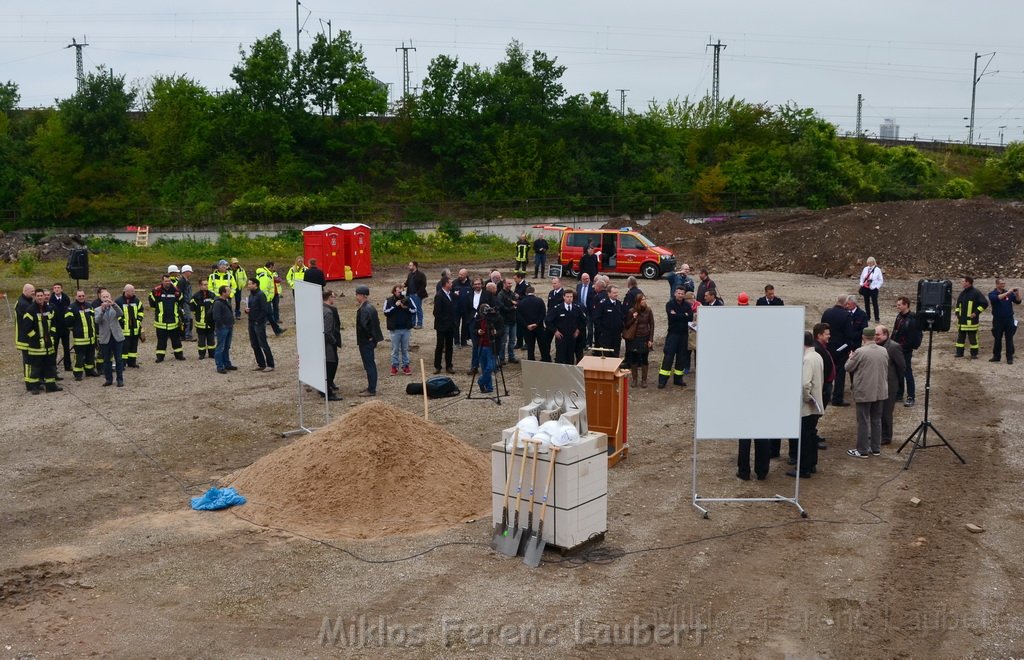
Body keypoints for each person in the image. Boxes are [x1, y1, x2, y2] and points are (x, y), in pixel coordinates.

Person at [845, 327, 889, 458]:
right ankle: (875, 448)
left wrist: (850, 357)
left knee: (863, 421)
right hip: (880, 391)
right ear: (874, 337)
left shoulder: (860, 351)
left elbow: (848, 367)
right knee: (876, 420)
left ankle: (862, 450)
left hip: (864, 392)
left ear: (863, 337)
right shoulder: (884, 350)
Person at [790, 331, 824, 478]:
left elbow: (805, 383)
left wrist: (805, 397)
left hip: (808, 405)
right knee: (811, 434)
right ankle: (811, 463)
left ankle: (804, 468)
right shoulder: (817, 356)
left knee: (804, 437)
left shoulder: (807, 359)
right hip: (816, 402)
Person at [20, 288, 61, 394]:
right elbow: (26, 328)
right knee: (36, 367)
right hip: (36, 346)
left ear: (44, 296)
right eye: (37, 296)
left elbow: (53, 324)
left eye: (41, 295)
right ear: (35, 297)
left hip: (48, 345)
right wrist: (37, 338)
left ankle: (51, 386)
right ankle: (34, 387)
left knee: (50, 366)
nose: (40, 297)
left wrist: (52, 336)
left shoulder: (49, 309)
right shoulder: (30, 310)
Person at [874, 325, 906, 446]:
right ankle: (878, 433)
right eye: (875, 335)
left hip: (890, 385)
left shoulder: (894, 347)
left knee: (886, 412)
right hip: (878, 384)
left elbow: (901, 366)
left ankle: (886, 436)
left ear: (885, 334)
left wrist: (896, 381)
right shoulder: (875, 346)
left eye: (878, 335)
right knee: (877, 410)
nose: (875, 337)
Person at [821, 296, 853, 406]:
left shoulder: (827, 312)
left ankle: (825, 394)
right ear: (845, 303)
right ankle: (837, 398)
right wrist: (848, 348)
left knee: (826, 372)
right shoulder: (846, 315)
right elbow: (849, 335)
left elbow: (821, 329)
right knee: (840, 374)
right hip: (840, 349)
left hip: (827, 347)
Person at [658, 287, 693, 388]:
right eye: (679, 293)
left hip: (684, 335)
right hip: (673, 335)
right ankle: (662, 381)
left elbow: (690, 317)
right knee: (668, 356)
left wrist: (678, 315)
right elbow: (672, 317)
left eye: (682, 294)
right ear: (675, 294)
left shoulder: (687, 305)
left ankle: (678, 379)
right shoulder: (670, 304)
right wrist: (684, 315)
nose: (680, 295)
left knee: (681, 357)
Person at [892, 296, 922, 406]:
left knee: (907, 373)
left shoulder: (912, 319)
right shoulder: (899, 317)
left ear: (906, 305)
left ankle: (911, 396)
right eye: (897, 304)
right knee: (897, 372)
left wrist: (903, 348)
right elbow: (895, 332)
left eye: (899, 304)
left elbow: (913, 338)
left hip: (905, 350)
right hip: (897, 349)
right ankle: (899, 394)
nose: (897, 306)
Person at [354, 285, 384, 396]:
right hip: (370, 340)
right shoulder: (370, 307)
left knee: (369, 365)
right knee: (370, 364)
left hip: (365, 341)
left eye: (357, 294)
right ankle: (370, 387)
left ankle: (371, 389)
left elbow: (364, 325)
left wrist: (369, 336)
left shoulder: (364, 309)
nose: (356, 296)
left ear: (361, 295)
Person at [149, 275, 184, 363]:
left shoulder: (176, 291)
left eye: (169, 281)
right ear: (162, 281)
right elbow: (152, 303)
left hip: (174, 321)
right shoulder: (156, 291)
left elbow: (181, 301)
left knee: (176, 340)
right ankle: (160, 357)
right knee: (161, 341)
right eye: (166, 281)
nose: (167, 283)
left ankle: (179, 355)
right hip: (161, 322)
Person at [812, 322, 836, 451]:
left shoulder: (821, 347)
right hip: (822, 387)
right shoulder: (817, 349)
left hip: (826, 385)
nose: (829, 336)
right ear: (819, 335)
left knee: (817, 414)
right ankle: (812, 437)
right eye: (827, 334)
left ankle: (813, 434)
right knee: (815, 414)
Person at [94, 290, 125, 387]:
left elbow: (121, 314)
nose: (106, 298)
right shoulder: (97, 309)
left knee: (119, 359)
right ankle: (108, 379)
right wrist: (102, 311)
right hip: (105, 338)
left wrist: (114, 305)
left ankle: (120, 379)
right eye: (104, 297)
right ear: (101, 298)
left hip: (116, 337)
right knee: (106, 360)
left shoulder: (115, 307)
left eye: (107, 296)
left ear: (111, 297)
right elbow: (97, 321)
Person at [546, 288, 586, 365]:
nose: (569, 298)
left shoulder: (576, 308)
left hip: (572, 337)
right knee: (560, 357)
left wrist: (578, 330)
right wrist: (555, 331)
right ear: (563, 297)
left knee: (570, 357)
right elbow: (548, 321)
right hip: (561, 337)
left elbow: (584, 320)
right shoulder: (557, 308)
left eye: (571, 297)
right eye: (567, 297)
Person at [623, 293, 655, 387]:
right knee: (634, 359)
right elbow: (627, 325)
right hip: (635, 338)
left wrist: (650, 339)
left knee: (644, 359)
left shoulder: (648, 310)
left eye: (645, 299)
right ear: (638, 301)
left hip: (645, 337)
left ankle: (644, 380)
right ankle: (634, 379)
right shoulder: (631, 311)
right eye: (642, 300)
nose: (644, 301)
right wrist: (633, 318)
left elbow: (652, 325)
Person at [383, 284, 416, 376]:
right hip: (395, 330)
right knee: (395, 349)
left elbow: (414, 310)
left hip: (406, 329)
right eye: (399, 292)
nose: (400, 293)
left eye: (402, 291)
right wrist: (395, 306)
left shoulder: (408, 299)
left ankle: (406, 365)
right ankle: (394, 366)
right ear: (394, 292)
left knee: (405, 349)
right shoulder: (389, 300)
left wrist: (406, 308)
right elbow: (386, 312)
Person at [67, 288, 99, 378]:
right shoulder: (71, 308)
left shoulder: (89, 306)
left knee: (90, 356)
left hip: (90, 337)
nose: (81, 297)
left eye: (82, 296)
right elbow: (68, 322)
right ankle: (78, 373)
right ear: (75, 297)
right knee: (79, 357)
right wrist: (75, 329)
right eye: (79, 296)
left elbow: (94, 319)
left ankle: (90, 370)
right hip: (80, 338)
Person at [988, 279, 1020, 364]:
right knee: (997, 338)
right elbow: (996, 298)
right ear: (997, 284)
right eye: (1001, 284)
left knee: (1009, 339)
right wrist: (1008, 292)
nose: (1003, 285)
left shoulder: (1009, 294)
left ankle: (1009, 358)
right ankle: (996, 356)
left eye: (1004, 283)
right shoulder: (992, 294)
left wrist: (1017, 294)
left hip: (1009, 319)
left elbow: (1018, 301)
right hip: (998, 320)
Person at [954, 276, 987, 358]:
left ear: (968, 282)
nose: (962, 283)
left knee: (973, 339)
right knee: (960, 339)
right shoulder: (962, 293)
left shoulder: (976, 293)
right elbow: (958, 304)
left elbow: (984, 304)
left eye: (963, 281)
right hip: (962, 321)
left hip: (971, 321)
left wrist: (976, 313)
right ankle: (959, 353)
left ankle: (974, 354)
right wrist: (957, 312)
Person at [246, 278, 275, 372]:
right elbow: (253, 307)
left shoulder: (261, 295)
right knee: (254, 344)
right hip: (251, 321)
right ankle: (261, 364)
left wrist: (258, 321)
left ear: (255, 285)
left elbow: (264, 310)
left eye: (250, 284)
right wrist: (247, 311)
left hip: (258, 323)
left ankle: (270, 364)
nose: (248, 285)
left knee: (263, 343)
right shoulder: (251, 295)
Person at [474, 303, 504, 393]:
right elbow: (474, 330)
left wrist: (496, 332)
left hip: (492, 345)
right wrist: (478, 331)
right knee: (484, 367)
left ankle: (481, 381)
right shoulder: (479, 319)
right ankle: (489, 387)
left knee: (490, 367)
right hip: (481, 345)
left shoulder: (497, 318)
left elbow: (502, 330)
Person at [115, 285, 145, 369]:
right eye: (132, 291)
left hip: (135, 329)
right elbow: (116, 313)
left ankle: (132, 362)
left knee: (133, 347)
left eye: (133, 291)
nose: (133, 292)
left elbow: (141, 311)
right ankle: (122, 364)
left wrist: (138, 320)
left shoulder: (136, 300)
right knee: (124, 348)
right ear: (126, 291)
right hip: (124, 330)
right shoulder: (119, 301)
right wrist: (122, 321)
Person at [433, 277, 458, 374]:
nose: (452, 284)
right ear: (446, 284)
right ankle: (437, 366)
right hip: (442, 326)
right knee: (440, 346)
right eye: (451, 283)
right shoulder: (439, 295)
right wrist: (446, 321)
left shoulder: (450, 294)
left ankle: (449, 365)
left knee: (449, 346)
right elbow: (436, 312)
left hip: (450, 326)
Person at [15, 284, 37, 391]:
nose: (34, 293)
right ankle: (29, 383)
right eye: (32, 291)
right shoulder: (23, 304)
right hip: (25, 338)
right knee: (28, 361)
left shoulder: (27, 301)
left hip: (28, 337)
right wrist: (34, 335)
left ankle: (33, 380)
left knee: (32, 360)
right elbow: (27, 323)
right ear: (25, 291)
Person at [517, 286, 548, 362]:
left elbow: (519, 316)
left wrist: (526, 325)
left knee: (530, 347)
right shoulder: (539, 301)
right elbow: (543, 313)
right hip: (539, 327)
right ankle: (545, 359)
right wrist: (537, 324)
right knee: (542, 345)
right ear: (534, 292)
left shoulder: (521, 303)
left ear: (526, 293)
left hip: (527, 329)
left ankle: (531, 361)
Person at [593, 284, 625, 358]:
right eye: (614, 293)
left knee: (615, 354)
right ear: (609, 293)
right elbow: (596, 319)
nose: (616, 295)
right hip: (606, 336)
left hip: (616, 336)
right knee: (606, 356)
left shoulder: (619, 304)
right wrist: (602, 331)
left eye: (617, 293)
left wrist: (621, 329)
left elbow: (622, 317)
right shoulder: (603, 304)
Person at [211, 285, 237, 374]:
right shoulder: (218, 303)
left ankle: (227, 364)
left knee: (227, 346)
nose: (230, 293)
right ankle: (220, 366)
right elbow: (216, 316)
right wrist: (221, 325)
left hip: (229, 326)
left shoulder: (226, 301)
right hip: (223, 328)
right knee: (220, 347)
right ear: (223, 293)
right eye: (228, 291)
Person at [322, 289, 342, 399]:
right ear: (329, 297)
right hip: (328, 344)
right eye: (333, 297)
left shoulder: (320, 308)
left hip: (322, 343)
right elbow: (327, 331)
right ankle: (327, 392)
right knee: (331, 365)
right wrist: (334, 342)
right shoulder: (329, 312)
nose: (334, 299)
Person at [190, 279, 217, 360]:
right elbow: (192, 307)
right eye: (204, 284)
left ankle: (212, 354)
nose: (206, 286)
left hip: (210, 322)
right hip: (200, 322)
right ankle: (202, 354)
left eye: (207, 284)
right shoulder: (196, 296)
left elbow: (215, 306)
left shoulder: (212, 295)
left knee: (211, 339)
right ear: (200, 286)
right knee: (201, 340)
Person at [255, 261, 285, 336]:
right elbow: (263, 288)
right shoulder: (265, 275)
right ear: (271, 266)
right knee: (263, 317)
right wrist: (266, 298)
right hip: (265, 299)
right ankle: (262, 333)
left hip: (266, 299)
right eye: (274, 266)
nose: (275, 268)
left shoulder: (268, 273)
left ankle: (277, 330)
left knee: (270, 316)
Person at [49, 282, 73, 373]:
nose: (57, 289)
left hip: (65, 327)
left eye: (58, 287)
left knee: (66, 347)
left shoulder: (66, 298)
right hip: (56, 327)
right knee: (54, 348)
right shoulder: (51, 299)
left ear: (61, 289)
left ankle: (68, 365)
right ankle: (53, 366)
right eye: (55, 288)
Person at [497, 278, 518, 364]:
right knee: (503, 341)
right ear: (504, 284)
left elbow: (516, 302)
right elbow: (501, 307)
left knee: (512, 340)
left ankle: (511, 356)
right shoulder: (501, 295)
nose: (510, 285)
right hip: (505, 321)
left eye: (511, 283)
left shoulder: (511, 293)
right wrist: (511, 308)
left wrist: (514, 303)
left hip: (513, 320)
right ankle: (501, 358)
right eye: (508, 283)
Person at [858, 257, 884, 323]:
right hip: (866, 288)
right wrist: (861, 284)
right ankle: (868, 317)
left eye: (870, 263)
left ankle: (877, 318)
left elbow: (881, 280)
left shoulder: (877, 269)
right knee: (866, 303)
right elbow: (862, 277)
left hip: (873, 289)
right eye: (868, 263)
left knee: (875, 303)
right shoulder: (865, 269)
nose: (869, 264)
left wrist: (877, 287)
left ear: (873, 262)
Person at [453, 269, 474, 346]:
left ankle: (463, 341)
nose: (460, 276)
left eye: (461, 275)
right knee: (456, 325)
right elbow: (450, 293)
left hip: (466, 309)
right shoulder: (455, 283)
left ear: (466, 275)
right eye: (459, 274)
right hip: (456, 309)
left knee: (465, 325)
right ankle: (456, 341)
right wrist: (454, 294)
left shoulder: (470, 283)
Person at [405, 261, 428, 329]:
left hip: (417, 295)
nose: (409, 267)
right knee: (411, 309)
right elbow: (407, 282)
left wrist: (417, 294)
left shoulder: (421, 275)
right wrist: (403, 285)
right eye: (409, 265)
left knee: (418, 309)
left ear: (414, 266)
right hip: (410, 294)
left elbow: (423, 285)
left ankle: (420, 324)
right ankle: (412, 323)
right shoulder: (410, 274)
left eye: (410, 265)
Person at [179, 265, 195, 341]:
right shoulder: (182, 282)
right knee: (187, 319)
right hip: (185, 304)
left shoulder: (186, 281)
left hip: (187, 303)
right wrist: (181, 305)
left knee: (188, 319)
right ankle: (187, 335)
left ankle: (186, 335)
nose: (191, 273)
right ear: (186, 272)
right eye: (190, 272)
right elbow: (180, 294)